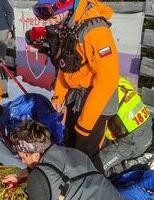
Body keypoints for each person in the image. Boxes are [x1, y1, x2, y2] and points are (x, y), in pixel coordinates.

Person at [3, 120, 143, 200]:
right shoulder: (75, 153)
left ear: (35, 154)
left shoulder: (37, 179)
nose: (22, 162)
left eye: (23, 157)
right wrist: (24, 173)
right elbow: (60, 172)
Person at [29, 0, 120, 172]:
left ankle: (95, 191)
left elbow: (107, 79)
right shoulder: (71, 26)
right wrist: (59, 95)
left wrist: (85, 123)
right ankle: (70, 187)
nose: (46, 20)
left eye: (47, 12)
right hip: (77, 98)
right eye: (40, 13)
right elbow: (66, 66)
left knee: (85, 154)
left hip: (96, 104)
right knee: (70, 146)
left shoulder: (96, 31)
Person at [94, 77, 153, 177]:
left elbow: (108, 133)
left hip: (134, 141)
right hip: (144, 124)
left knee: (98, 164)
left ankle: (127, 168)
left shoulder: (104, 98)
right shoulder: (116, 80)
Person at [0, 93, 65, 145]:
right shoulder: (46, 110)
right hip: (10, 121)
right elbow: (58, 137)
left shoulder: (43, 103)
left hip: (8, 115)